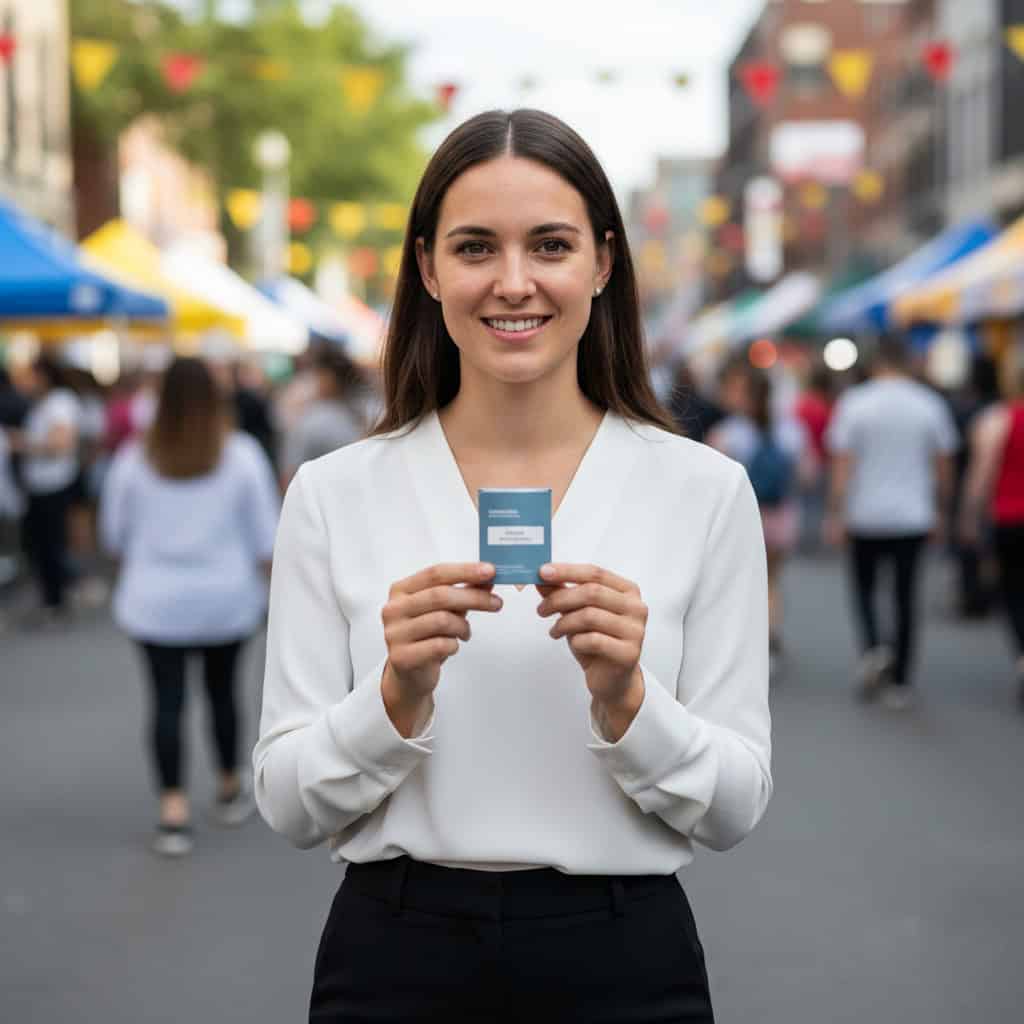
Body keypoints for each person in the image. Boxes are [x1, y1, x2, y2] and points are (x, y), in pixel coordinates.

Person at [253, 108, 772, 1023]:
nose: (514, 282)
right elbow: (289, 805)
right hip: (394, 959)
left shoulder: (705, 490)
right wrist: (393, 697)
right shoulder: (334, 493)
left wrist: (630, 700)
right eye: (475, 248)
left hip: (625, 960)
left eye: (551, 245)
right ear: (427, 268)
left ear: (604, 262)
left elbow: (734, 808)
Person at [100, 357, 280, 858]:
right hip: (226, 597)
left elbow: (113, 535)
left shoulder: (134, 459)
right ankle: (228, 785)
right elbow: (266, 538)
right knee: (223, 693)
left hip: (154, 599)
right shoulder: (241, 455)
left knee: (166, 700)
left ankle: (172, 808)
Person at [824, 334, 958, 710]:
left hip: (864, 514)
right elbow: (943, 466)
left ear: (876, 362)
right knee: (905, 595)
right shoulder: (929, 404)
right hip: (913, 515)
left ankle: (873, 648)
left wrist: (835, 513)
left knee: (864, 588)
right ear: (908, 362)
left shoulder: (855, 403)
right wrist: (942, 511)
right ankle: (900, 678)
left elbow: (842, 465)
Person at [708, 356, 808, 676]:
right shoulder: (791, 430)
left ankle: (747, 645)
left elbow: (710, 477)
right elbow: (806, 473)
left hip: (746, 516)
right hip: (782, 516)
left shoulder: (730, 432)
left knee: (742, 584)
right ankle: (771, 638)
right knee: (772, 581)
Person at [959, 358, 1024, 708]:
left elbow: (982, 474)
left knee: (1013, 592)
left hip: (1009, 520)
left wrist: (969, 516)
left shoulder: (997, 420)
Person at [6, 353, 81, 624]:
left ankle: (57, 601)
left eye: (29, 375)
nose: (24, 382)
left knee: (50, 546)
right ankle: (52, 599)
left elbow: (62, 444)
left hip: (53, 485)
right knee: (42, 546)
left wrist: (21, 443)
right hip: (39, 486)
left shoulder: (60, 402)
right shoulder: (43, 403)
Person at [278, 344, 371, 488]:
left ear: (329, 378)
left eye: (317, 375)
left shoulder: (314, 420)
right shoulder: (361, 414)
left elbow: (289, 476)